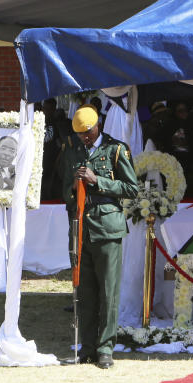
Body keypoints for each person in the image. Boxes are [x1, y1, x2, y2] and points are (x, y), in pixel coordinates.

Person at [59, 105, 137, 369]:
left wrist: (98, 181)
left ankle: (105, 348)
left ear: (98, 126)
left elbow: (131, 188)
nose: (85, 138)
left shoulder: (115, 150)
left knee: (108, 292)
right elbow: (64, 192)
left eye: (88, 132)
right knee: (86, 292)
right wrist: (72, 187)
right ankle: (88, 347)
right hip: (81, 226)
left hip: (107, 227)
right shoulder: (71, 150)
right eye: (80, 134)